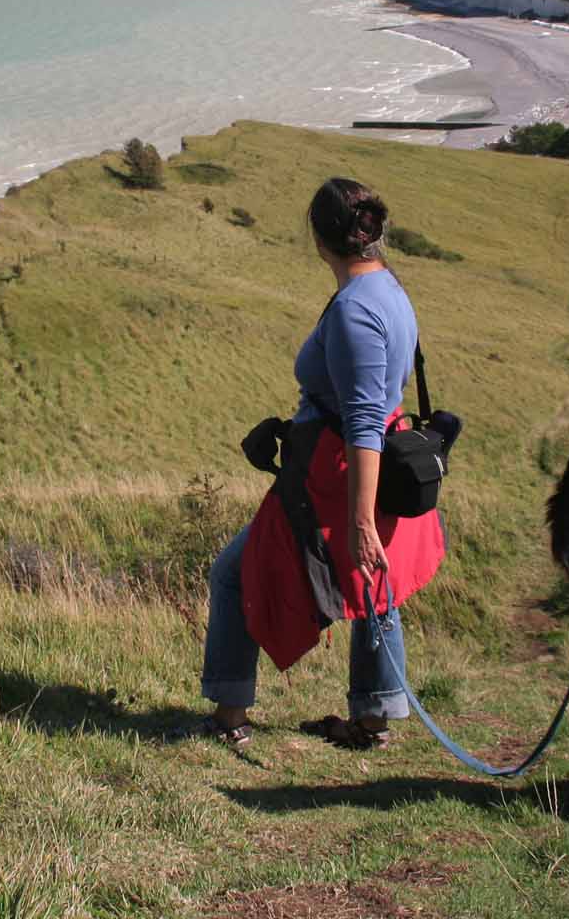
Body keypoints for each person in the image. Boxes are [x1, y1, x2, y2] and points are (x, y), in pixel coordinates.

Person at [187, 177, 448, 749]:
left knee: (233, 573)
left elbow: (360, 421)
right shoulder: (388, 288)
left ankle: (229, 718)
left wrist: (357, 522)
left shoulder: (355, 311)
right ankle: (373, 718)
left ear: (320, 239)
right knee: (376, 583)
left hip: (335, 478)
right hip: (367, 463)